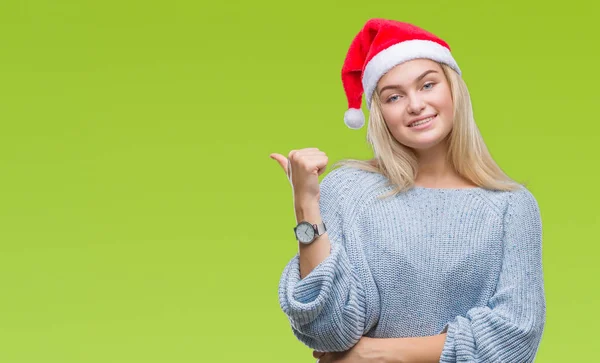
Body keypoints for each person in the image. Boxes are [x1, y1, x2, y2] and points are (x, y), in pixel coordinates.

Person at [269, 18, 546, 363]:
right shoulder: (348, 191)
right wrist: (306, 204)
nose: (415, 105)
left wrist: (375, 354)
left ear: (452, 89)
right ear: (379, 113)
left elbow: (514, 341)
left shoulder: (511, 207)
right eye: (394, 96)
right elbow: (328, 329)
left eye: (427, 85)